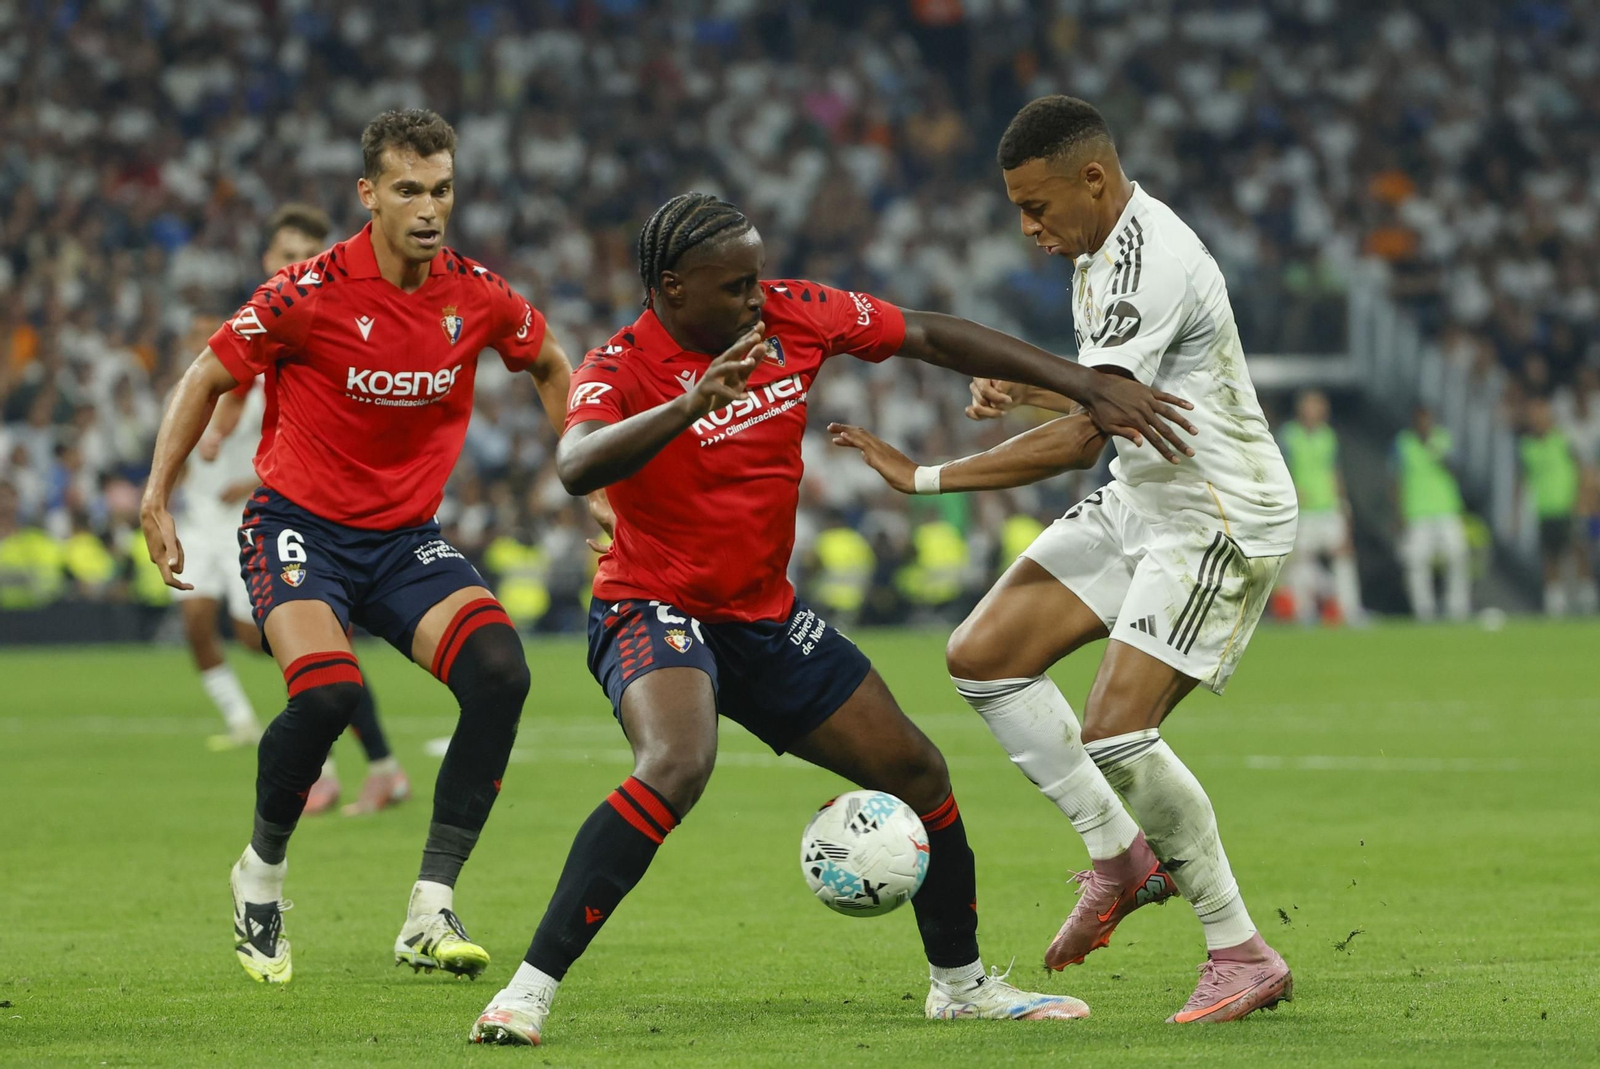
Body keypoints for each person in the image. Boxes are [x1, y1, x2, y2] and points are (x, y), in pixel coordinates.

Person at [469, 191, 1198, 1046]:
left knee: (918, 770)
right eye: (735, 286)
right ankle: (524, 993)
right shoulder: (621, 364)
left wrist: (1083, 383)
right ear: (671, 288)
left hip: (763, 617)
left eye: (758, 276)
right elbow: (575, 461)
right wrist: (689, 405)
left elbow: (929, 335)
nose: (757, 297)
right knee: (677, 762)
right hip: (651, 605)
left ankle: (961, 986)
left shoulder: (794, 313)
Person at [840, 95, 1298, 1025]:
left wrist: (925, 475)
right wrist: (1031, 392)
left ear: (1093, 178)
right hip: (1146, 496)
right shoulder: (1097, 254)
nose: (1028, 228)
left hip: (1216, 516)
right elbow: (1121, 400)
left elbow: (1089, 434)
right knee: (984, 655)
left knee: (1116, 730)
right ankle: (1120, 856)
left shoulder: (1148, 262)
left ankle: (1241, 950)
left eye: (1036, 206)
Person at [140, 109, 605, 985]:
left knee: (501, 671)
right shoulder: (306, 292)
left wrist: (595, 483)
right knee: (327, 692)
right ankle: (260, 874)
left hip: (402, 543)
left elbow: (550, 362)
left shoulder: (477, 294)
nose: (430, 209)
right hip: (296, 528)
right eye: (408, 190)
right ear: (369, 194)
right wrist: (156, 494)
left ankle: (430, 907)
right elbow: (207, 373)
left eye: (443, 190)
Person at [188, 204, 410, 814]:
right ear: (268, 259)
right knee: (304, 653)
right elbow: (230, 389)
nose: (297, 268)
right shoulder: (258, 335)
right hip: (277, 521)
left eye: (307, 258)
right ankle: (352, 771)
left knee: (318, 656)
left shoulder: (337, 334)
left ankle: (366, 770)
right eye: (287, 257)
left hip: (331, 521)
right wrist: (214, 435)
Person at [1278, 390, 1365, 625]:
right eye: (1311, 406)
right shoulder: (1288, 435)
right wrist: (1289, 492)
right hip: (1302, 510)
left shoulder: (1328, 436)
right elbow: (1279, 467)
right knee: (1300, 562)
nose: (1315, 411)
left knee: (1343, 557)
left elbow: (1335, 472)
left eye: (1319, 406)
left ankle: (1350, 610)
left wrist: (1343, 506)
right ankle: (1303, 613)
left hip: (1328, 507)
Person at [1394, 406, 1470, 621]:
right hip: (1417, 511)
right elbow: (1396, 479)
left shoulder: (1444, 440)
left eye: (1427, 420)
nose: (1424, 425)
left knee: (1457, 556)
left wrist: (1437, 452)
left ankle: (1457, 608)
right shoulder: (1403, 443)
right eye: (1420, 420)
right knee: (1416, 562)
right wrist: (1399, 512)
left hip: (1446, 508)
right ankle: (1424, 610)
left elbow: (1456, 470)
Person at [1520, 397, 1592, 615]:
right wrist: (1517, 513)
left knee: (1578, 549)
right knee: (1550, 556)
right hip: (1544, 509)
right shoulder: (1527, 446)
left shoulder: (1563, 439)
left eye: (1540, 415)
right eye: (1533, 416)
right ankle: (1555, 601)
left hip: (1568, 506)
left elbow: (1581, 469)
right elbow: (1524, 479)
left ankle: (1586, 594)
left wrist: (1582, 500)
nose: (1537, 420)